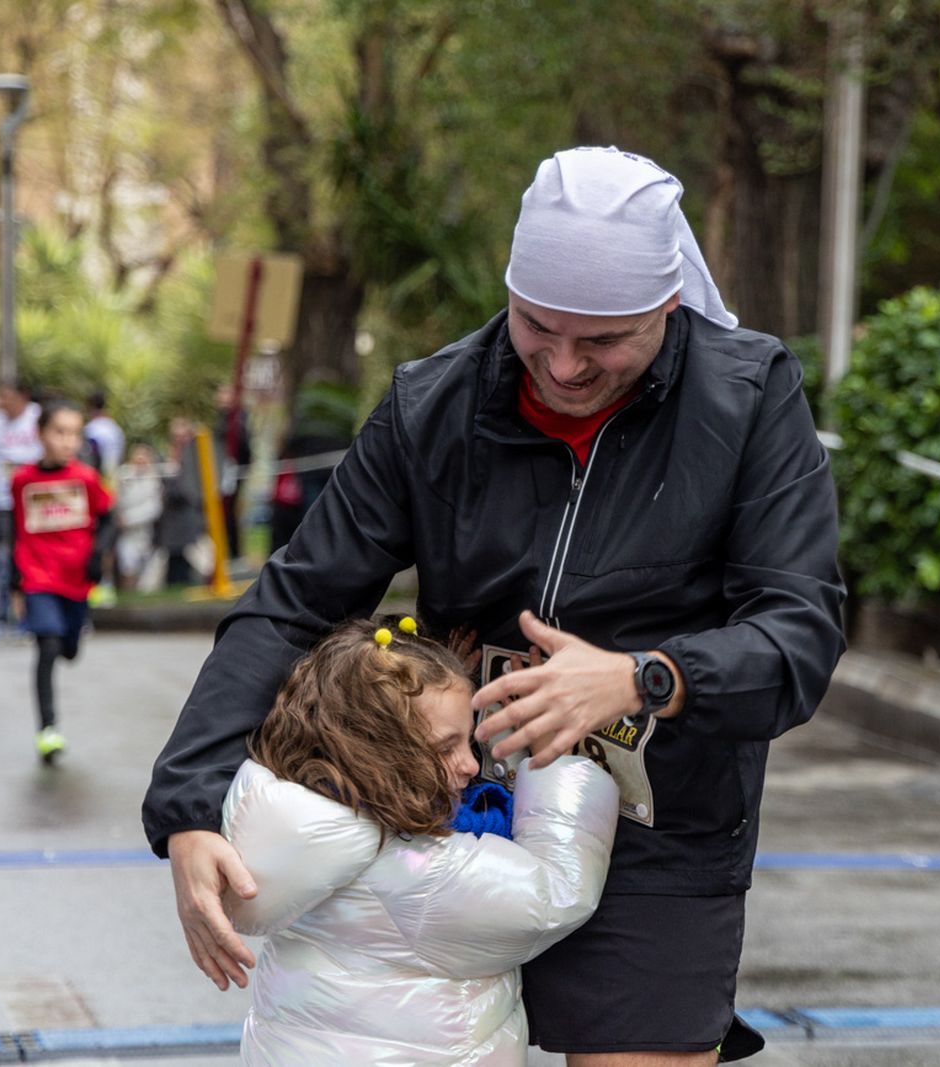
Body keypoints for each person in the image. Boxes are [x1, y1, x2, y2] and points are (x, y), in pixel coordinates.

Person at [144, 146, 845, 1065]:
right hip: (442, 808)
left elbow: (797, 633)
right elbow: (294, 602)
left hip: (657, 825)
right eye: (536, 325)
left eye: (603, 340)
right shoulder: (432, 403)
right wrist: (190, 803)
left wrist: (642, 677)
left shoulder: (747, 397)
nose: (563, 364)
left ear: (669, 306)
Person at [223, 617, 618, 1064]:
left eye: (469, 739)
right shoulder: (419, 869)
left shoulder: (299, 811)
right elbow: (555, 898)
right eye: (447, 746)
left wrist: (437, 695)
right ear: (378, 748)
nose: (471, 765)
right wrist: (552, 758)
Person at [11, 399, 115, 762]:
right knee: (48, 645)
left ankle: (71, 640)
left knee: (68, 649)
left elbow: (108, 517)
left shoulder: (85, 477)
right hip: (38, 577)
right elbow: (15, 528)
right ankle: (48, 728)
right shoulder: (22, 480)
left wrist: (97, 556)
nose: (68, 441)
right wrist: (14, 577)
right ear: (40, 434)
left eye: (74, 434)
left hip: (76, 579)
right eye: (60, 432)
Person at [0, 380, 43, 633]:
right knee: (3, 557)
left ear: (23, 396)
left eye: (8, 397)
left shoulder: (37, 416)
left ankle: (30, 611)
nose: (3, 403)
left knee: (30, 556)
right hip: (1, 500)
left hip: (35, 499)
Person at [158, 418, 206, 587]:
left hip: (189, 512)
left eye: (183, 436)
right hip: (171, 515)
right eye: (176, 436)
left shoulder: (197, 455)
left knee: (192, 552)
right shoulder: (167, 456)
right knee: (174, 554)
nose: (180, 440)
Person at [114, 444, 164, 592]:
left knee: (147, 575)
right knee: (127, 564)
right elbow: (117, 501)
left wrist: (128, 519)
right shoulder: (123, 476)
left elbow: (153, 509)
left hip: (146, 534)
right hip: (126, 534)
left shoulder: (154, 481)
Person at [214, 383, 251, 560]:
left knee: (229, 511)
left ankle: (234, 551)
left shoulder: (237, 419)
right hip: (223, 468)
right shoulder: (223, 419)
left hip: (232, 469)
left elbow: (244, 445)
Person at [83, 390, 126, 479]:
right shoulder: (115, 428)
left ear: (90, 406)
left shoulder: (90, 430)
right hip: (113, 473)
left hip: (96, 475)